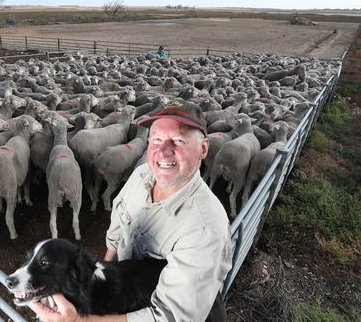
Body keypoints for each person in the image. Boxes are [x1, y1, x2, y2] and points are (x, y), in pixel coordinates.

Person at [29, 100, 233, 322]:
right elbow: (117, 231)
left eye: (178, 140)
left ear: (203, 149)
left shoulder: (205, 227)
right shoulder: (142, 175)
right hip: (126, 292)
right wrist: (103, 276)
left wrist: (81, 321)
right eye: (156, 139)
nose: (164, 152)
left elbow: (169, 317)